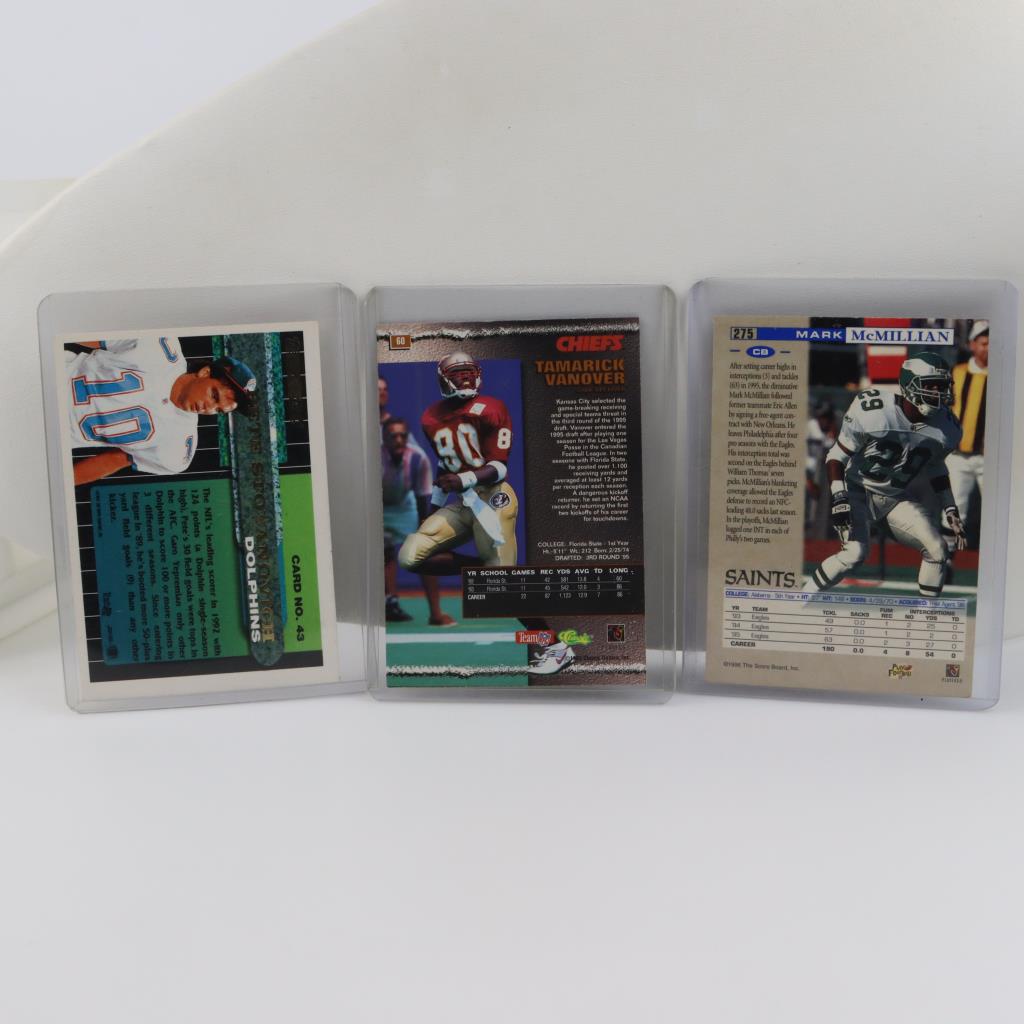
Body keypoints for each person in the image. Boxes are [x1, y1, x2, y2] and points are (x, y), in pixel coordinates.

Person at [398, 352, 574, 675]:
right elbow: (446, 466)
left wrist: (463, 479)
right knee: (411, 555)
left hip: (494, 498)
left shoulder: (491, 408)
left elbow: (499, 467)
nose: (465, 377)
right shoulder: (431, 417)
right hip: (464, 503)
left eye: (469, 372)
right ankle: (482, 570)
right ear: (443, 380)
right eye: (458, 373)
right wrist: (433, 508)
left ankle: (556, 647)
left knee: (502, 589)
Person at [804, 352, 966, 598]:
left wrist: (950, 507)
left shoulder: (947, 427)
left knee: (937, 550)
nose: (939, 392)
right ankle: (801, 600)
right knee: (854, 554)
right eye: (931, 385)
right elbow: (836, 456)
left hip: (893, 498)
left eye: (942, 386)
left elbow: (936, 466)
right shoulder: (875, 411)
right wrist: (839, 497)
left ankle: (926, 616)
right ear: (909, 385)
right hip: (856, 490)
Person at [66, 336, 255, 486]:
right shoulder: (160, 346)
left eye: (219, 410)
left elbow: (114, 460)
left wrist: (61, 485)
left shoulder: (179, 446)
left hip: (60, 435)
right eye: (214, 396)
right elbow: (94, 337)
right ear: (205, 372)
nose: (210, 409)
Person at [381, 416, 455, 626]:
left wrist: (425, 528)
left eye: (402, 435)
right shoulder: (373, 458)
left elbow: (424, 496)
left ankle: (436, 614)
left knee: (423, 552)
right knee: (383, 552)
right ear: (384, 438)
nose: (398, 440)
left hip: (405, 506)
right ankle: (389, 604)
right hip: (377, 506)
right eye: (393, 436)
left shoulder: (418, 458)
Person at [944, 319, 987, 551]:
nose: (988, 348)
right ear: (972, 344)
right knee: (953, 511)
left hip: (991, 459)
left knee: (1001, 510)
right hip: (958, 456)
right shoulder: (957, 374)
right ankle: (945, 562)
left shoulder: (1008, 376)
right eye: (984, 343)